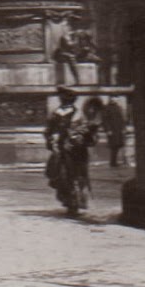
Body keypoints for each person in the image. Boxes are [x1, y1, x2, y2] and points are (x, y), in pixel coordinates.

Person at [43, 87, 91, 216]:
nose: (64, 101)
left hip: (76, 150)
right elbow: (49, 130)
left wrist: (76, 137)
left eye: (67, 99)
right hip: (60, 149)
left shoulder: (78, 114)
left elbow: (85, 130)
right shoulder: (56, 113)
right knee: (60, 175)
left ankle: (75, 202)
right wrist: (51, 139)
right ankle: (68, 201)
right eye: (63, 98)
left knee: (76, 175)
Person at [101, 95, 129, 168]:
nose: (114, 99)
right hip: (112, 130)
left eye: (115, 98)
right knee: (114, 146)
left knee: (118, 145)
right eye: (112, 98)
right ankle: (112, 163)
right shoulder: (107, 108)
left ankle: (115, 162)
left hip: (118, 130)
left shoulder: (118, 107)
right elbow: (105, 120)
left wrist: (123, 128)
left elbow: (122, 119)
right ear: (110, 99)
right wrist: (108, 130)